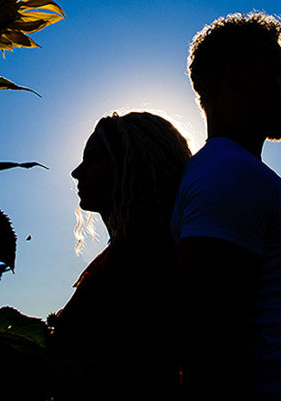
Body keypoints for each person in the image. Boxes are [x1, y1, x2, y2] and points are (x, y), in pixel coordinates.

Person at [171, 12, 281, 401]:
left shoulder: (233, 173)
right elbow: (209, 347)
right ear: (235, 74)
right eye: (279, 73)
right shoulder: (227, 175)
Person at [50, 111, 191, 401]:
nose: (77, 172)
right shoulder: (134, 252)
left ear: (132, 166)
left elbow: (128, 366)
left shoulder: (143, 260)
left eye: (94, 158)